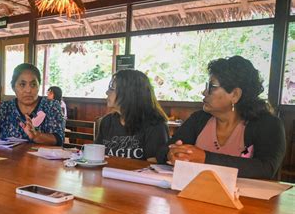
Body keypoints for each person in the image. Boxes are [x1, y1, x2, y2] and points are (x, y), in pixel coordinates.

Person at [156, 55, 286, 179]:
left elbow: (266, 168)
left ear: (235, 94)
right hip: (195, 193)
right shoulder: (199, 119)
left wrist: (205, 159)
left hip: (245, 200)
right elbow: (162, 150)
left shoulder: (267, 124)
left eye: (212, 87)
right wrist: (172, 153)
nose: (204, 92)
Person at [0, 63, 64, 145]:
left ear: (39, 86)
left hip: (41, 163)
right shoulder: (4, 108)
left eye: (33, 84)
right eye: (22, 84)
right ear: (13, 87)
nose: (28, 90)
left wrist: (36, 136)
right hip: (8, 161)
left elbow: (58, 139)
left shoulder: (51, 106)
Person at [95, 69, 169, 160]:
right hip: (106, 173)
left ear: (129, 93)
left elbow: (154, 165)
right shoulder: (107, 122)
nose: (107, 92)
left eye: (112, 88)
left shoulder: (155, 126)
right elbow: (96, 155)